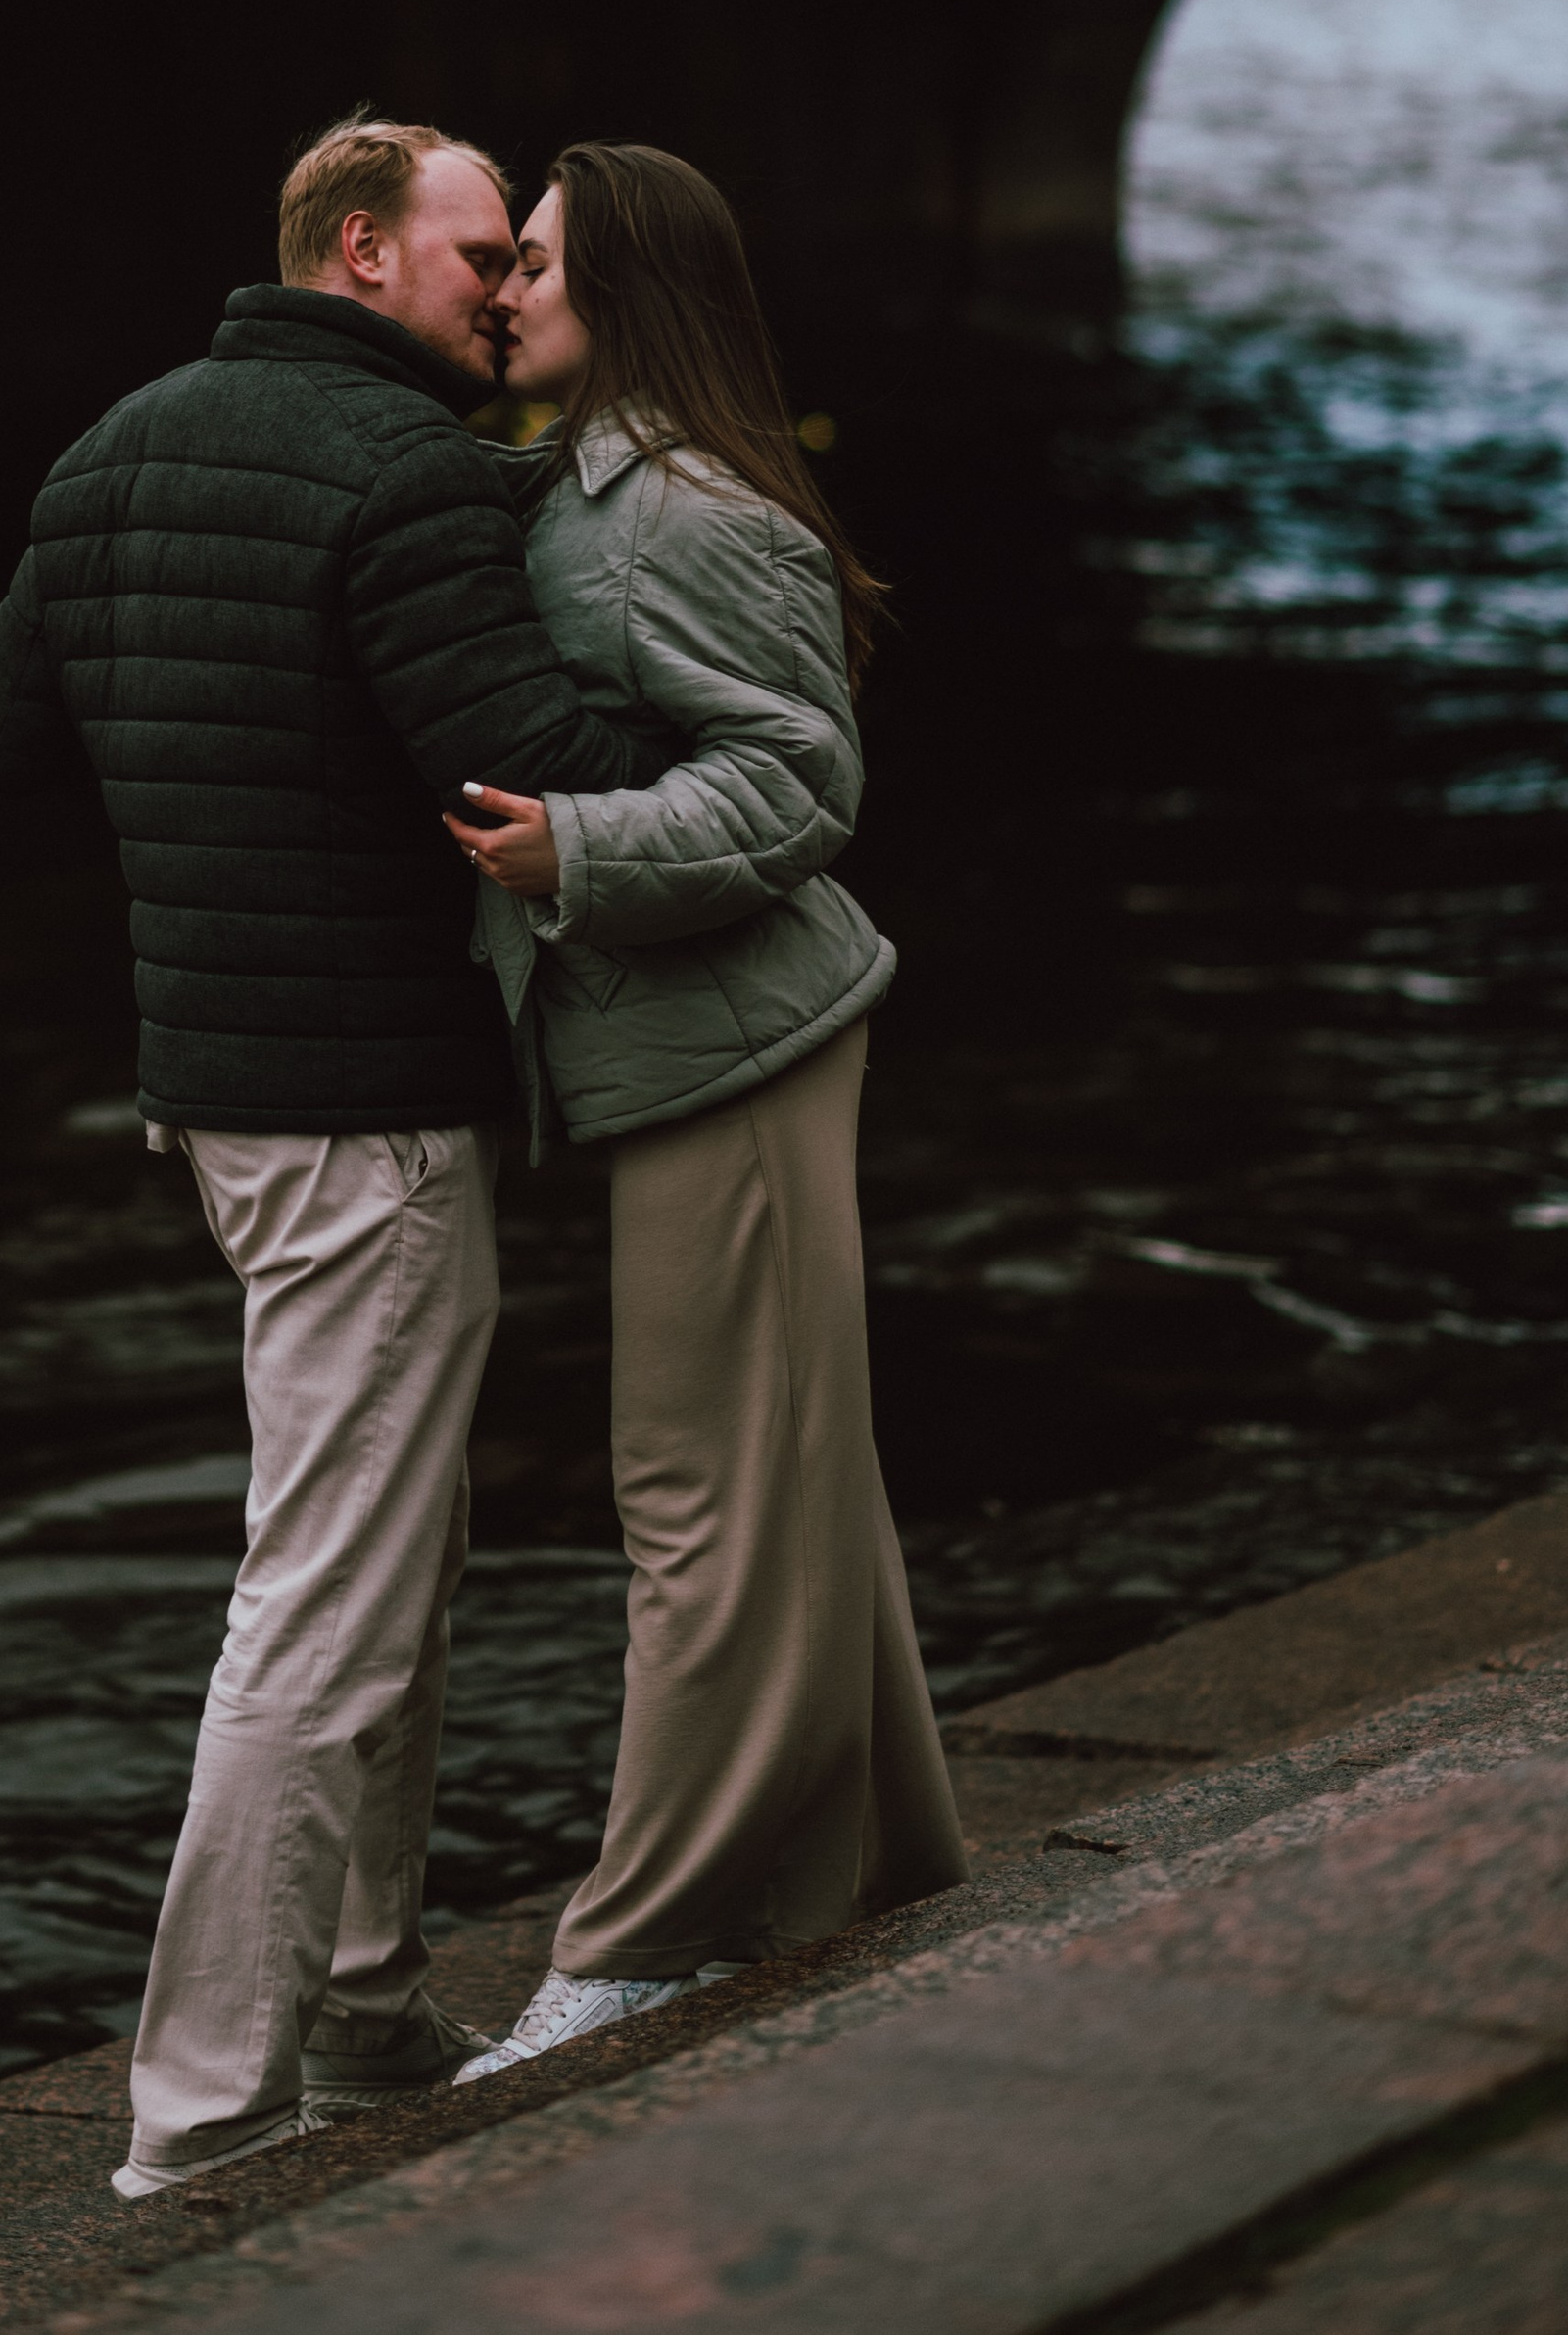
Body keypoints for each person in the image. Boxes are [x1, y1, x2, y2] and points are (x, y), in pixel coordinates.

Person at [0, 114, 660, 2198]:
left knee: (388, 1552)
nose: (501, 284)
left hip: (219, 1085)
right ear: (360, 252)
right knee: (329, 1595)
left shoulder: (112, 450)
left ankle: (359, 2015)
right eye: (469, 248)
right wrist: (728, 758)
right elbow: (522, 746)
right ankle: (201, 2122)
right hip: (362, 1098)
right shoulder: (406, 473)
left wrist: (205, 762)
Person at [443, 140, 966, 2080]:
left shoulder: (675, 507)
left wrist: (572, 844)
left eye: (542, 262)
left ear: (635, 286)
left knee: (699, 1491)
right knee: (783, 1463)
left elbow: (797, 781)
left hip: (733, 1044)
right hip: (693, 1043)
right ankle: (886, 1851)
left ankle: (643, 1945)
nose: (504, 291)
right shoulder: (589, 477)